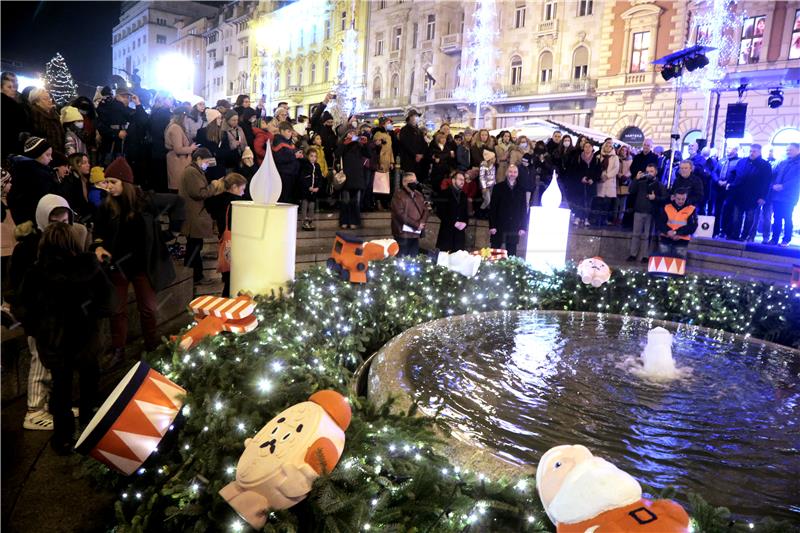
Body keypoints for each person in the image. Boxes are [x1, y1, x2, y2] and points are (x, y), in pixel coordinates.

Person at [17, 222, 113, 452]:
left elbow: (23, 307)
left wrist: (37, 329)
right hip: (85, 338)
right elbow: (106, 300)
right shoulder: (88, 267)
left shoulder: (36, 272)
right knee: (90, 383)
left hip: (55, 342)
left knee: (60, 388)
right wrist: (93, 315)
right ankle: (91, 429)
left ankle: (63, 437)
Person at [9, 193, 91, 433]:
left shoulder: (68, 240)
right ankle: (34, 411)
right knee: (40, 362)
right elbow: (19, 285)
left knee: (55, 365)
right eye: (54, 218)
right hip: (41, 317)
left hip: (60, 318)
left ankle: (52, 406)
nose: (60, 222)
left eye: (64, 217)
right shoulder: (28, 248)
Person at [92, 157, 185, 359]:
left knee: (149, 309)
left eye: (113, 182)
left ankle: (151, 345)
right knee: (117, 311)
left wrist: (174, 232)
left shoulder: (146, 201)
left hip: (144, 264)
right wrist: (98, 246)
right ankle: (119, 350)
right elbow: (98, 231)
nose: (108, 186)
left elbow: (178, 202)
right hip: (118, 266)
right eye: (106, 182)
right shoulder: (106, 206)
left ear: (125, 182)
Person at [179, 148, 224, 284]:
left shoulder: (194, 171)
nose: (206, 165)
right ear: (198, 159)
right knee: (194, 248)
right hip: (193, 215)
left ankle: (192, 276)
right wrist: (214, 185)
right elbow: (199, 193)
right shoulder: (192, 172)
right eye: (205, 161)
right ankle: (196, 277)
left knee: (195, 247)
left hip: (195, 214)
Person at [205, 172, 247, 297]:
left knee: (228, 279)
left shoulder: (215, 200)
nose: (243, 193)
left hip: (224, 242)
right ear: (234, 187)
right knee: (235, 281)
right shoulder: (236, 203)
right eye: (242, 189)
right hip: (237, 244)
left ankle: (225, 308)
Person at [724, 144, 771, 241]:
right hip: (738, 194)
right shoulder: (742, 161)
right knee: (736, 217)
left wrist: (763, 197)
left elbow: (766, 182)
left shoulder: (765, 165)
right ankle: (735, 235)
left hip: (754, 197)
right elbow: (734, 174)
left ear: (759, 152)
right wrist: (730, 183)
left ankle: (744, 236)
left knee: (749, 218)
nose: (751, 153)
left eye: (754, 151)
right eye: (750, 151)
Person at [7, 136, 56, 225]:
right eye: (47, 155)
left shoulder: (18, 169)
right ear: (36, 154)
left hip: (22, 221)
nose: (51, 158)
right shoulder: (39, 175)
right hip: (35, 221)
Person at [627, 163, 667, 263]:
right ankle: (633, 254)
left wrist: (655, 198)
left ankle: (646, 256)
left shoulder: (659, 185)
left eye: (651, 171)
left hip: (650, 213)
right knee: (635, 234)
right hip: (638, 211)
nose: (649, 173)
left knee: (647, 235)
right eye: (647, 171)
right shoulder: (640, 182)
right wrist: (636, 179)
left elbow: (665, 199)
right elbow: (631, 190)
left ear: (656, 172)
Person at [96, 87, 143, 165]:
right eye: (123, 96)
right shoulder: (107, 107)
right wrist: (116, 133)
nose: (126, 99)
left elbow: (142, 119)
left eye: (128, 97)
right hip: (110, 147)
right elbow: (100, 126)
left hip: (125, 149)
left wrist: (137, 103)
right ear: (117, 96)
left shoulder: (128, 111)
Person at [489, 163, 528, 256]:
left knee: (511, 254)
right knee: (494, 253)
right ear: (507, 173)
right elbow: (493, 207)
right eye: (510, 172)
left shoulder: (521, 190)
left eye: (515, 172)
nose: (512, 174)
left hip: (514, 226)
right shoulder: (498, 187)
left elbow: (523, 209)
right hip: (499, 225)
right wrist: (492, 225)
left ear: (517, 174)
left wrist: (523, 227)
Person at [767, 142, 799, 246]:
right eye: (787, 150)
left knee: (787, 217)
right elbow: (774, 175)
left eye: (790, 150)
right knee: (777, 217)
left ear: (798, 150)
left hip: (789, 196)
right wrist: (773, 185)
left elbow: (796, 180)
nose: (788, 151)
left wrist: (783, 186)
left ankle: (786, 239)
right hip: (777, 195)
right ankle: (774, 239)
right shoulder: (783, 162)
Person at [390, 172, 429, 256]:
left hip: (415, 234)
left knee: (414, 257)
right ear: (404, 182)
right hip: (403, 233)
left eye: (415, 180)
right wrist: (416, 224)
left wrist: (421, 223)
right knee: (402, 259)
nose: (414, 183)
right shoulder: (398, 195)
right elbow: (399, 214)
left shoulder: (418, 194)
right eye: (411, 180)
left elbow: (425, 209)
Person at [337, 127, 368, 229]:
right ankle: (345, 221)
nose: (352, 135)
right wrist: (345, 143)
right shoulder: (343, 144)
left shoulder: (359, 145)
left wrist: (365, 143)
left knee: (355, 200)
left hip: (357, 176)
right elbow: (337, 154)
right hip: (346, 176)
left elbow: (368, 155)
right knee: (346, 200)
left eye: (354, 133)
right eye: (350, 133)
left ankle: (354, 221)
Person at [656, 189, 698, 261]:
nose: (681, 201)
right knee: (663, 263)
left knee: (678, 264)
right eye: (678, 199)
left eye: (683, 199)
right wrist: (668, 231)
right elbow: (660, 222)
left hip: (682, 240)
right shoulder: (667, 207)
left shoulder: (691, 209)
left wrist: (677, 233)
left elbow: (693, 226)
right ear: (674, 197)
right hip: (666, 238)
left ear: (686, 198)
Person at [165, 107, 199, 191]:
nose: (187, 120)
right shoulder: (175, 128)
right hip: (178, 161)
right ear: (182, 117)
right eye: (186, 117)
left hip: (179, 160)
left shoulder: (175, 126)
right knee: (179, 188)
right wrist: (191, 148)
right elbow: (178, 149)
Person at [435, 170, 469, 252]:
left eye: (463, 180)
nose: (462, 182)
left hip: (459, 233)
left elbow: (465, 212)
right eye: (460, 179)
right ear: (453, 180)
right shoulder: (444, 193)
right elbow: (440, 212)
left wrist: (465, 223)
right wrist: (454, 222)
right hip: (447, 231)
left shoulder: (464, 195)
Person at [147, 92, 174, 191]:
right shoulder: (163, 114)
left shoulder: (156, 112)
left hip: (157, 149)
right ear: (162, 100)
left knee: (159, 178)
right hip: (162, 150)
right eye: (169, 98)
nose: (172, 100)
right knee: (162, 179)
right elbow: (161, 133)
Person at [567, 141, 597, 227]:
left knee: (588, 202)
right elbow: (574, 170)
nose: (587, 148)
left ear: (592, 148)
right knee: (579, 201)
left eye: (589, 147)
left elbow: (598, 171)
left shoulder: (596, 159)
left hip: (590, 184)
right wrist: (581, 177)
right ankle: (578, 217)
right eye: (586, 147)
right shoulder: (578, 158)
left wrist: (593, 179)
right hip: (579, 184)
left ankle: (586, 218)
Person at [1, 72, 30, 161]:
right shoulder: (9, 104)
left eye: (15, 81)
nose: (14, 87)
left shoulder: (20, 100)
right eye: (9, 86)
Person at [272, 121, 302, 204]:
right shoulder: (278, 142)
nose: (290, 134)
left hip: (292, 172)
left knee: (290, 197)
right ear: (281, 131)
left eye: (291, 132)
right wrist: (294, 156)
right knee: (284, 198)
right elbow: (279, 159)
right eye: (288, 131)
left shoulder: (288, 142)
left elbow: (292, 152)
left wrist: (299, 154)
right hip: (284, 173)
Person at [27, 88, 64, 155]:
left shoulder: (55, 115)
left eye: (49, 98)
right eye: (45, 99)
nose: (50, 101)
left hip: (59, 153)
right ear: (36, 102)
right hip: (44, 154)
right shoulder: (34, 115)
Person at [57, 152, 92, 220]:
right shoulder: (71, 181)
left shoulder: (86, 179)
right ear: (75, 164)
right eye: (84, 163)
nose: (88, 165)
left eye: (88, 162)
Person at [593, 139, 619, 226]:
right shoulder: (598, 156)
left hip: (610, 181)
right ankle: (597, 220)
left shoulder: (615, 157)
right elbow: (596, 167)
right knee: (599, 202)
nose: (608, 148)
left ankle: (604, 220)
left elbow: (616, 169)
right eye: (606, 146)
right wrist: (600, 175)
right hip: (600, 181)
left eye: (610, 146)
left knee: (607, 204)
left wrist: (607, 175)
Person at [399, 109, 427, 180]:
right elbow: (405, 144)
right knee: (409, 181)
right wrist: (415, 155)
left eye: (417, 116)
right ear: (410, 117)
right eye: (415, 116)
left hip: (419, 161)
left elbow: (424, 144)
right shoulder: (404, 130)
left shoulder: (419, 131)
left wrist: (422, 154)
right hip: (408, 160)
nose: (417, 118)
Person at [298, 147, 322, 230]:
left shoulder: (317, 166)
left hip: (314, 191)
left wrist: (318, 187)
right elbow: (302, 178)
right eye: (311, 156)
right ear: (308, 156)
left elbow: (319, 178)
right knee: (305, 205)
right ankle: (304, 222)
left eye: (315, 156)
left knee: (312, 205)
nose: (313, 158)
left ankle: (310, 221)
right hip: (306, 190)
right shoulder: (305, 165)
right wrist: (308, 187)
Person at [615, 145, 633, 225]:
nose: (624, 152)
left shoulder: (630, 159)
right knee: (616, 202)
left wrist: (625, 176)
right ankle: (614, 217)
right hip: (617, 182)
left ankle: (620, 219)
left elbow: (631, 170)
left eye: (625, 150)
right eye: (622, 150)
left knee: (623, 203)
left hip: (626, 182)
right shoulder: (617, 159)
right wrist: (619, 174)